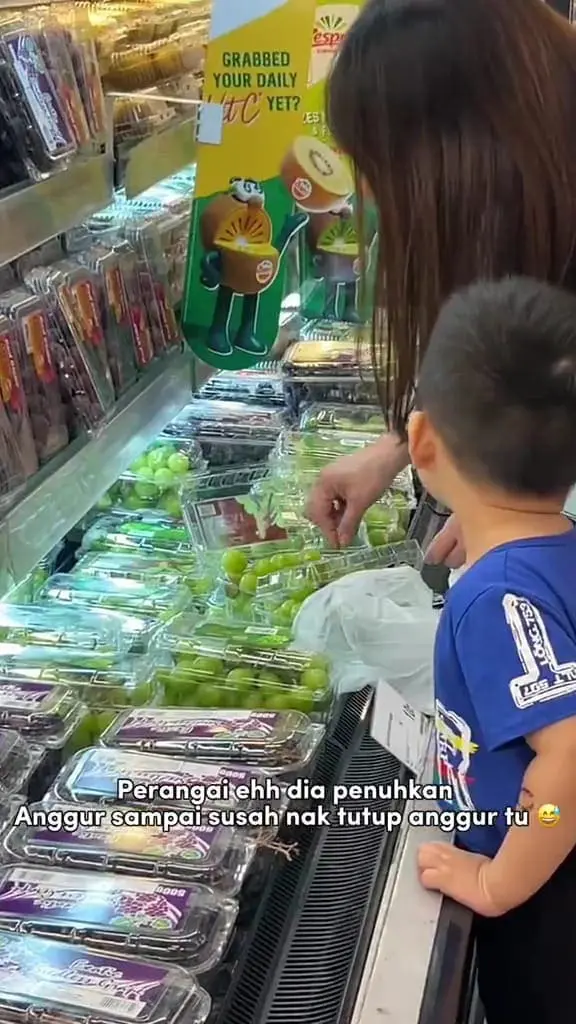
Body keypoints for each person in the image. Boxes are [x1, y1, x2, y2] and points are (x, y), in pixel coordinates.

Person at [305, 0, 576, 564]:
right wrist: (402, 447)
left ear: (472, 153)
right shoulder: (541, 198)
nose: (373, 197)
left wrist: (532, 530)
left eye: (387, 169)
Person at [410, 277, 576, 1022]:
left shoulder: (497, 600)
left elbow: (569, 757)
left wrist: (498, 882)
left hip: (548, 907)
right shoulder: (553, 555)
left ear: (422, 442)